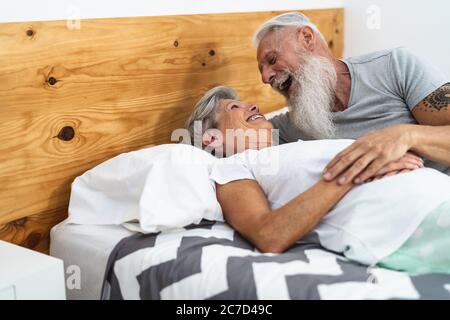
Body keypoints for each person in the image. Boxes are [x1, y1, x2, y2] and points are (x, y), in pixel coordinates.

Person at [185, 86, 450, 275]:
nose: (253, 106)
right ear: (211, 139)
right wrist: (355, 169)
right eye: (235, 107)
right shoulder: (232, 168)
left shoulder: (291, 148)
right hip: (414, 221)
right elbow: (269, 235)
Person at [253, 12, 450, 186]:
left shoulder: (395, 65)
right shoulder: (292, 126)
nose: (266, 78)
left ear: (307, 38)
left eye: (272, 60)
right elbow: (232, 137)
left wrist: (406, 136)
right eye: (262, 71)